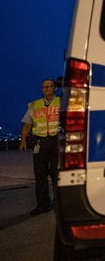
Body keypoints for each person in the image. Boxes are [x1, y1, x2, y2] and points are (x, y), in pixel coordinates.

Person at [19, 78, 60, 215]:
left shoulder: (61, 102)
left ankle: (59, 203)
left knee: (57, 174)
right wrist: (23, 140)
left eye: (49, 86)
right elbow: (27, 125)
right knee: (40, 175)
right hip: (40, 143)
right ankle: (43, 205)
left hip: (56, 141)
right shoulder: (34, 105)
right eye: (44, 87)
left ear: (55, 88)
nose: (46, 89)